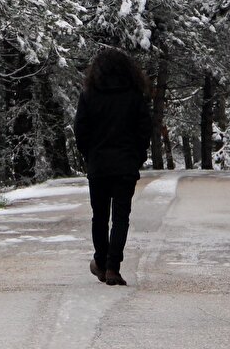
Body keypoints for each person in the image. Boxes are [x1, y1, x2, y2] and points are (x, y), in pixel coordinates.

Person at [72, 47, 153, 286]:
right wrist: (137, 156)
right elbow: (144, 129)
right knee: (120, 218)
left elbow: (81, 130)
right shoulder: (134, 94)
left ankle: (100, 259)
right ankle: (112, 267)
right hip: (125, 164)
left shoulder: (89, 94)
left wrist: (89, 155)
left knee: (99, 216)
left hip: (98, 164)